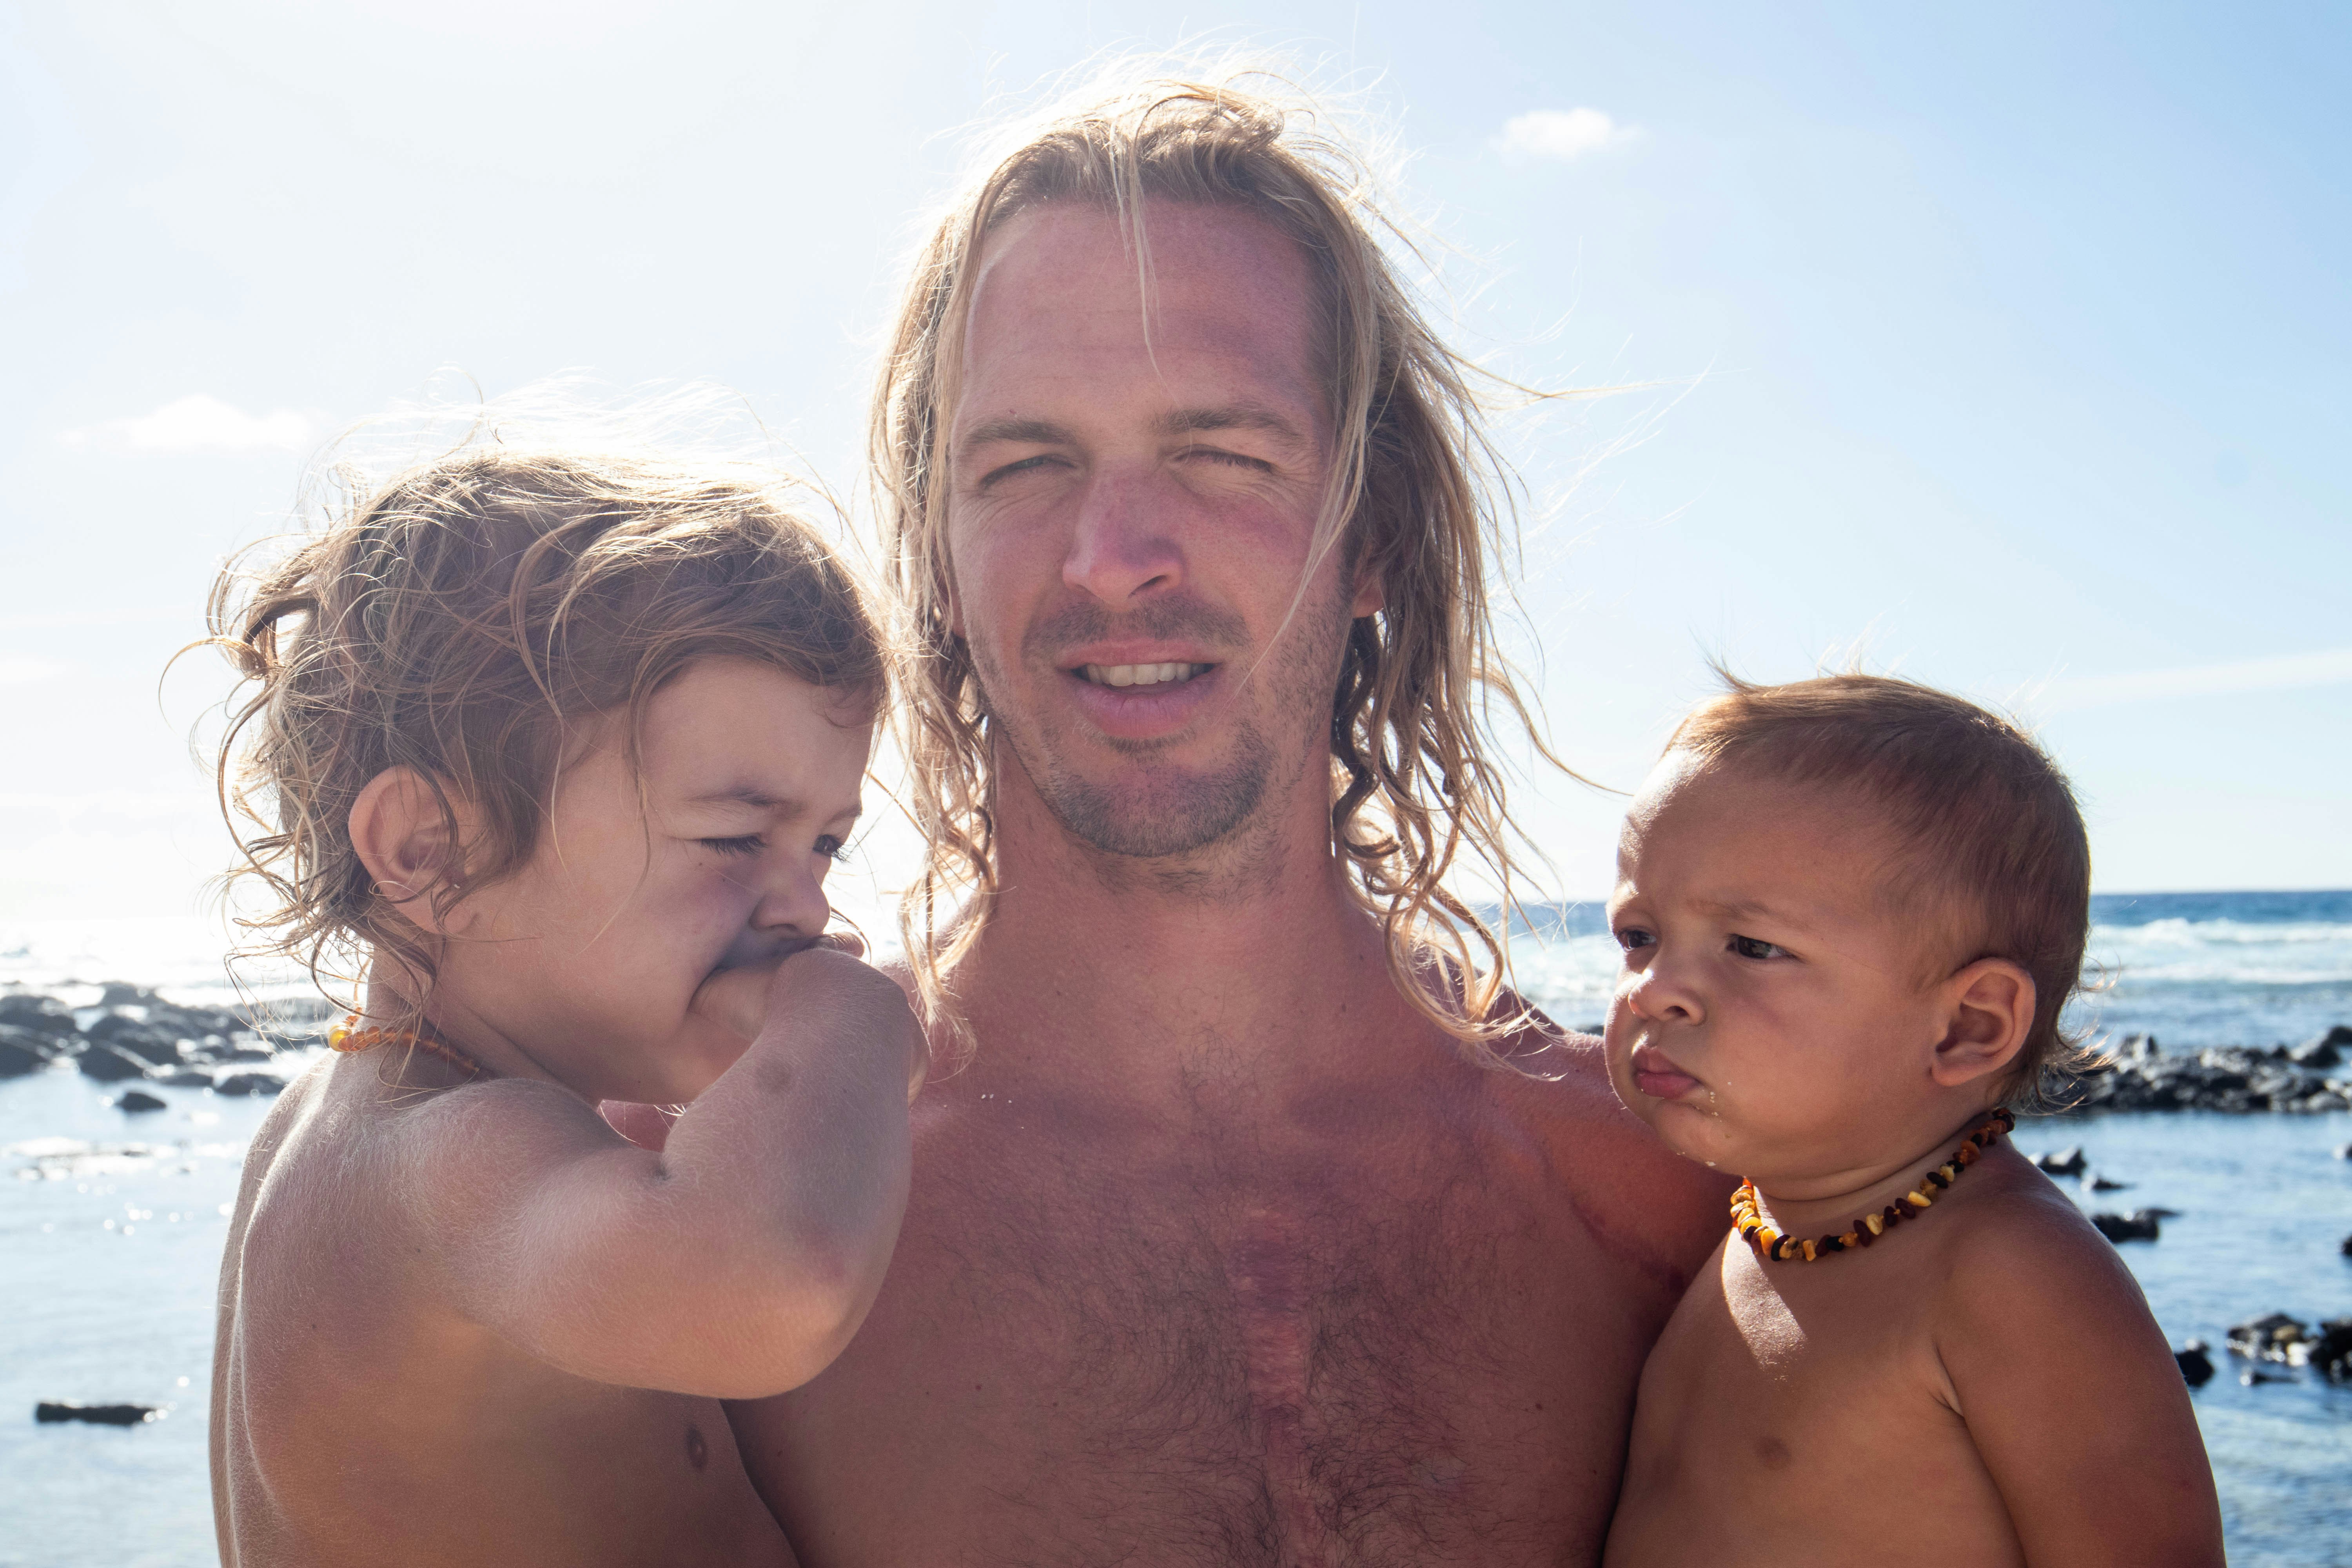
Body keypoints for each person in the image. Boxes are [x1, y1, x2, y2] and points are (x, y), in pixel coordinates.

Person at [722, 70, 1730, 1564]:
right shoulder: (743, 1246)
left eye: (1220, 455)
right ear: (940, 551)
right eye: (1024, 463)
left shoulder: (1648, 1199)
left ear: (1372, 532)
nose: (1112, 556)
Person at [205, 439, 926, 1566]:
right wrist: (863, 1017)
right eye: (736, 838)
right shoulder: (442, 1159)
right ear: (429, 849)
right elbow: (773, 1283)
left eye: (826, 845)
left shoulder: (350, 1123)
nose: (804, 908)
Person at [1600, 673, 2225, 1566]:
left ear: (1969, 1025)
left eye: (1752, 946)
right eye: (1638, 934)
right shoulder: (1760, 1216)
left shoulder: (2011, 1276)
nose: (1655, 989)